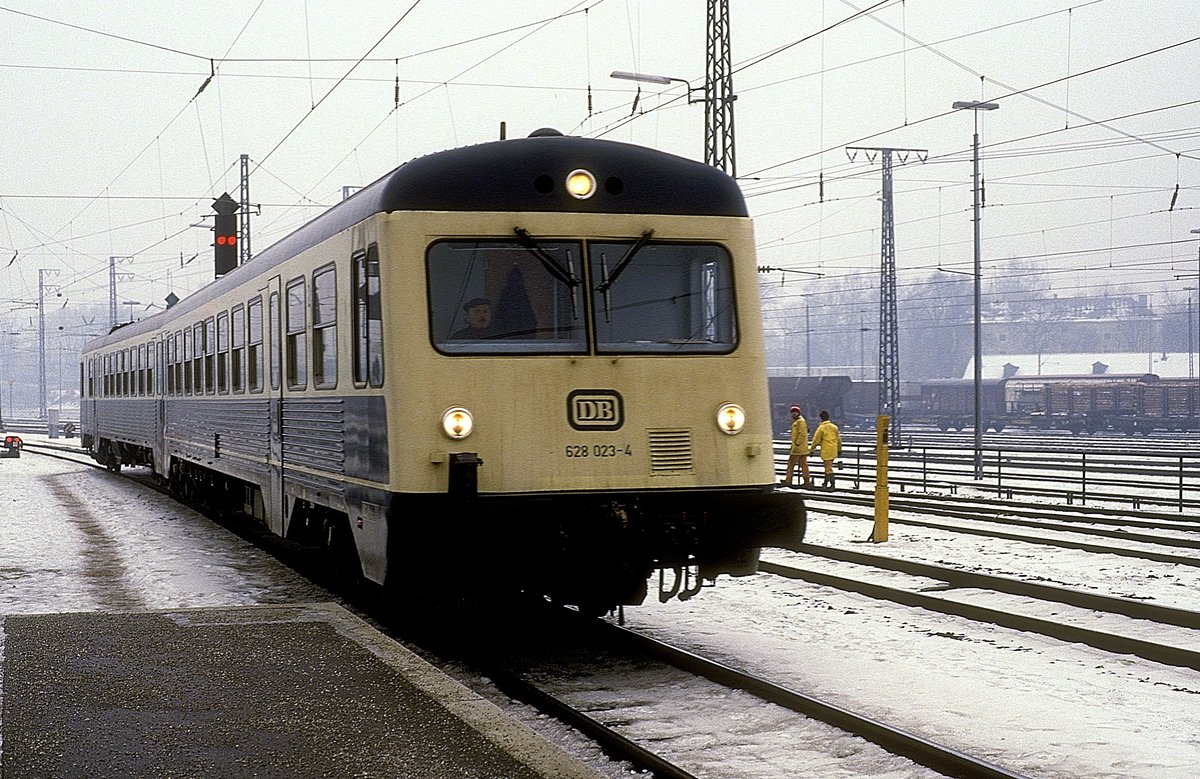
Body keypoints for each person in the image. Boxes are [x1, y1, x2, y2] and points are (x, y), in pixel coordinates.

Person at [780, 404, 812, 488]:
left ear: (798, 412)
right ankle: (807, 481)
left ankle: (788, 480)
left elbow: (802, 434)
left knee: (791, 464)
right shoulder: (798, 421)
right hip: (802, 447)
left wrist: (797, 443)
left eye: (795, 412)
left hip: (798, 448)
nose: (793, 414)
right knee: (803, 464)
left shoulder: (800, 421)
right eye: (792, 412)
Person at [809, 409, 842, 490]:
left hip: (826, 451)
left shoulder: (821, 428)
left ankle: (832, 485)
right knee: (828, 467)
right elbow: (839, 439)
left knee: (828, 468)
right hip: (834, 450)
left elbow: (816, 440)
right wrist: (839, 449)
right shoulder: (834, 427)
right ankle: (825, 483)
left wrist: (812, 450)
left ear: (821, 418)